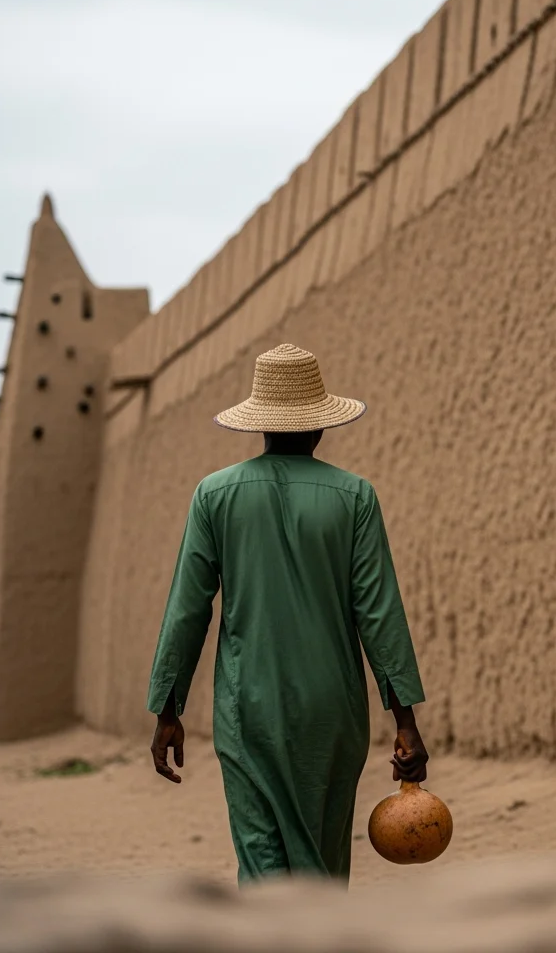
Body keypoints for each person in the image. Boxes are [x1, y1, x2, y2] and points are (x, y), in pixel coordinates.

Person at [146, 342, 429, 886]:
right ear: (321, 426)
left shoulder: (214, 495)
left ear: (260, 425)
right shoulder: (355, 497)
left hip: (246, 708)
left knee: (261, 866)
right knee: (320, 867)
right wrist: (406, 722)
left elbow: (187, 610)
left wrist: (166, 708)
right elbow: (379, 613)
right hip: (332, 711)